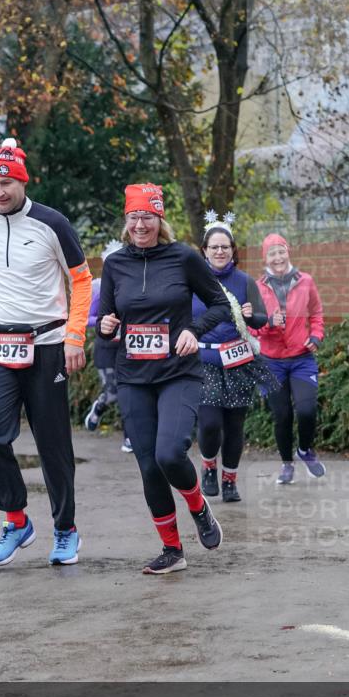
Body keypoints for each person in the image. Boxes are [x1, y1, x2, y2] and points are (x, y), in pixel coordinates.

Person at [0, 138, 92, 568]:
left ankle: (66, 529)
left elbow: (81, 280)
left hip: (48, 345)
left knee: (53, 446)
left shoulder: (53, 223)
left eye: (7, 184)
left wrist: (75, 336)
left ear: (23, 182)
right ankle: (16, 521)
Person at [97, 184, 231, 575]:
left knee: (169, 453)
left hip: (178, 371)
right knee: (149, 465)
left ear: (160, 219)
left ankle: (198, 507)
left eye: (147, 217)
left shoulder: (183, 257)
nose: (140, 225)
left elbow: (221, 305)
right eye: (133, 217)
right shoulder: (115, 264)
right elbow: (107, 321)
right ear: (126, 221)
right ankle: (172, 550)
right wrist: (105, 327)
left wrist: (194, 330)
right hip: (134, 377)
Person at [193, 212, 280, 502]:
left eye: (225, 247)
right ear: (204, 250)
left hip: (238, 360)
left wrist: (251, 315)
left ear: (233, 250)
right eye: (214, 247)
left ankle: (229, 479)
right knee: (209, 422)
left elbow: (261, 319)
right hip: (203, 360)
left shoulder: (244, 281)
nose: (220, 251)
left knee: (234, 424)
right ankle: (208, 466)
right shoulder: (192, 280)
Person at [256, 233, 326, 484]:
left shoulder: (305, 281)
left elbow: (316, 312)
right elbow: (251, 325)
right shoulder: (257, 287)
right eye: (272, 253)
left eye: (281, 251)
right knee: (282, 415)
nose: (277, 258)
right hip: (271, 362)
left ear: (288, 252)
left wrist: (316, 335)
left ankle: (305, 450)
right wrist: (268, 322)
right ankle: (287, 464)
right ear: (265, 258)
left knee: (307, 410)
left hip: (301, 359)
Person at [84, 240, 133, 453]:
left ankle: (130, 437)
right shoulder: (98, 287)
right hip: (106, 347)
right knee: (113, 392)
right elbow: (87, 318)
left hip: (130, 347)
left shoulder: (135, 284)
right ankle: (100, 406)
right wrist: (105, 321)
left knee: (128, 393)